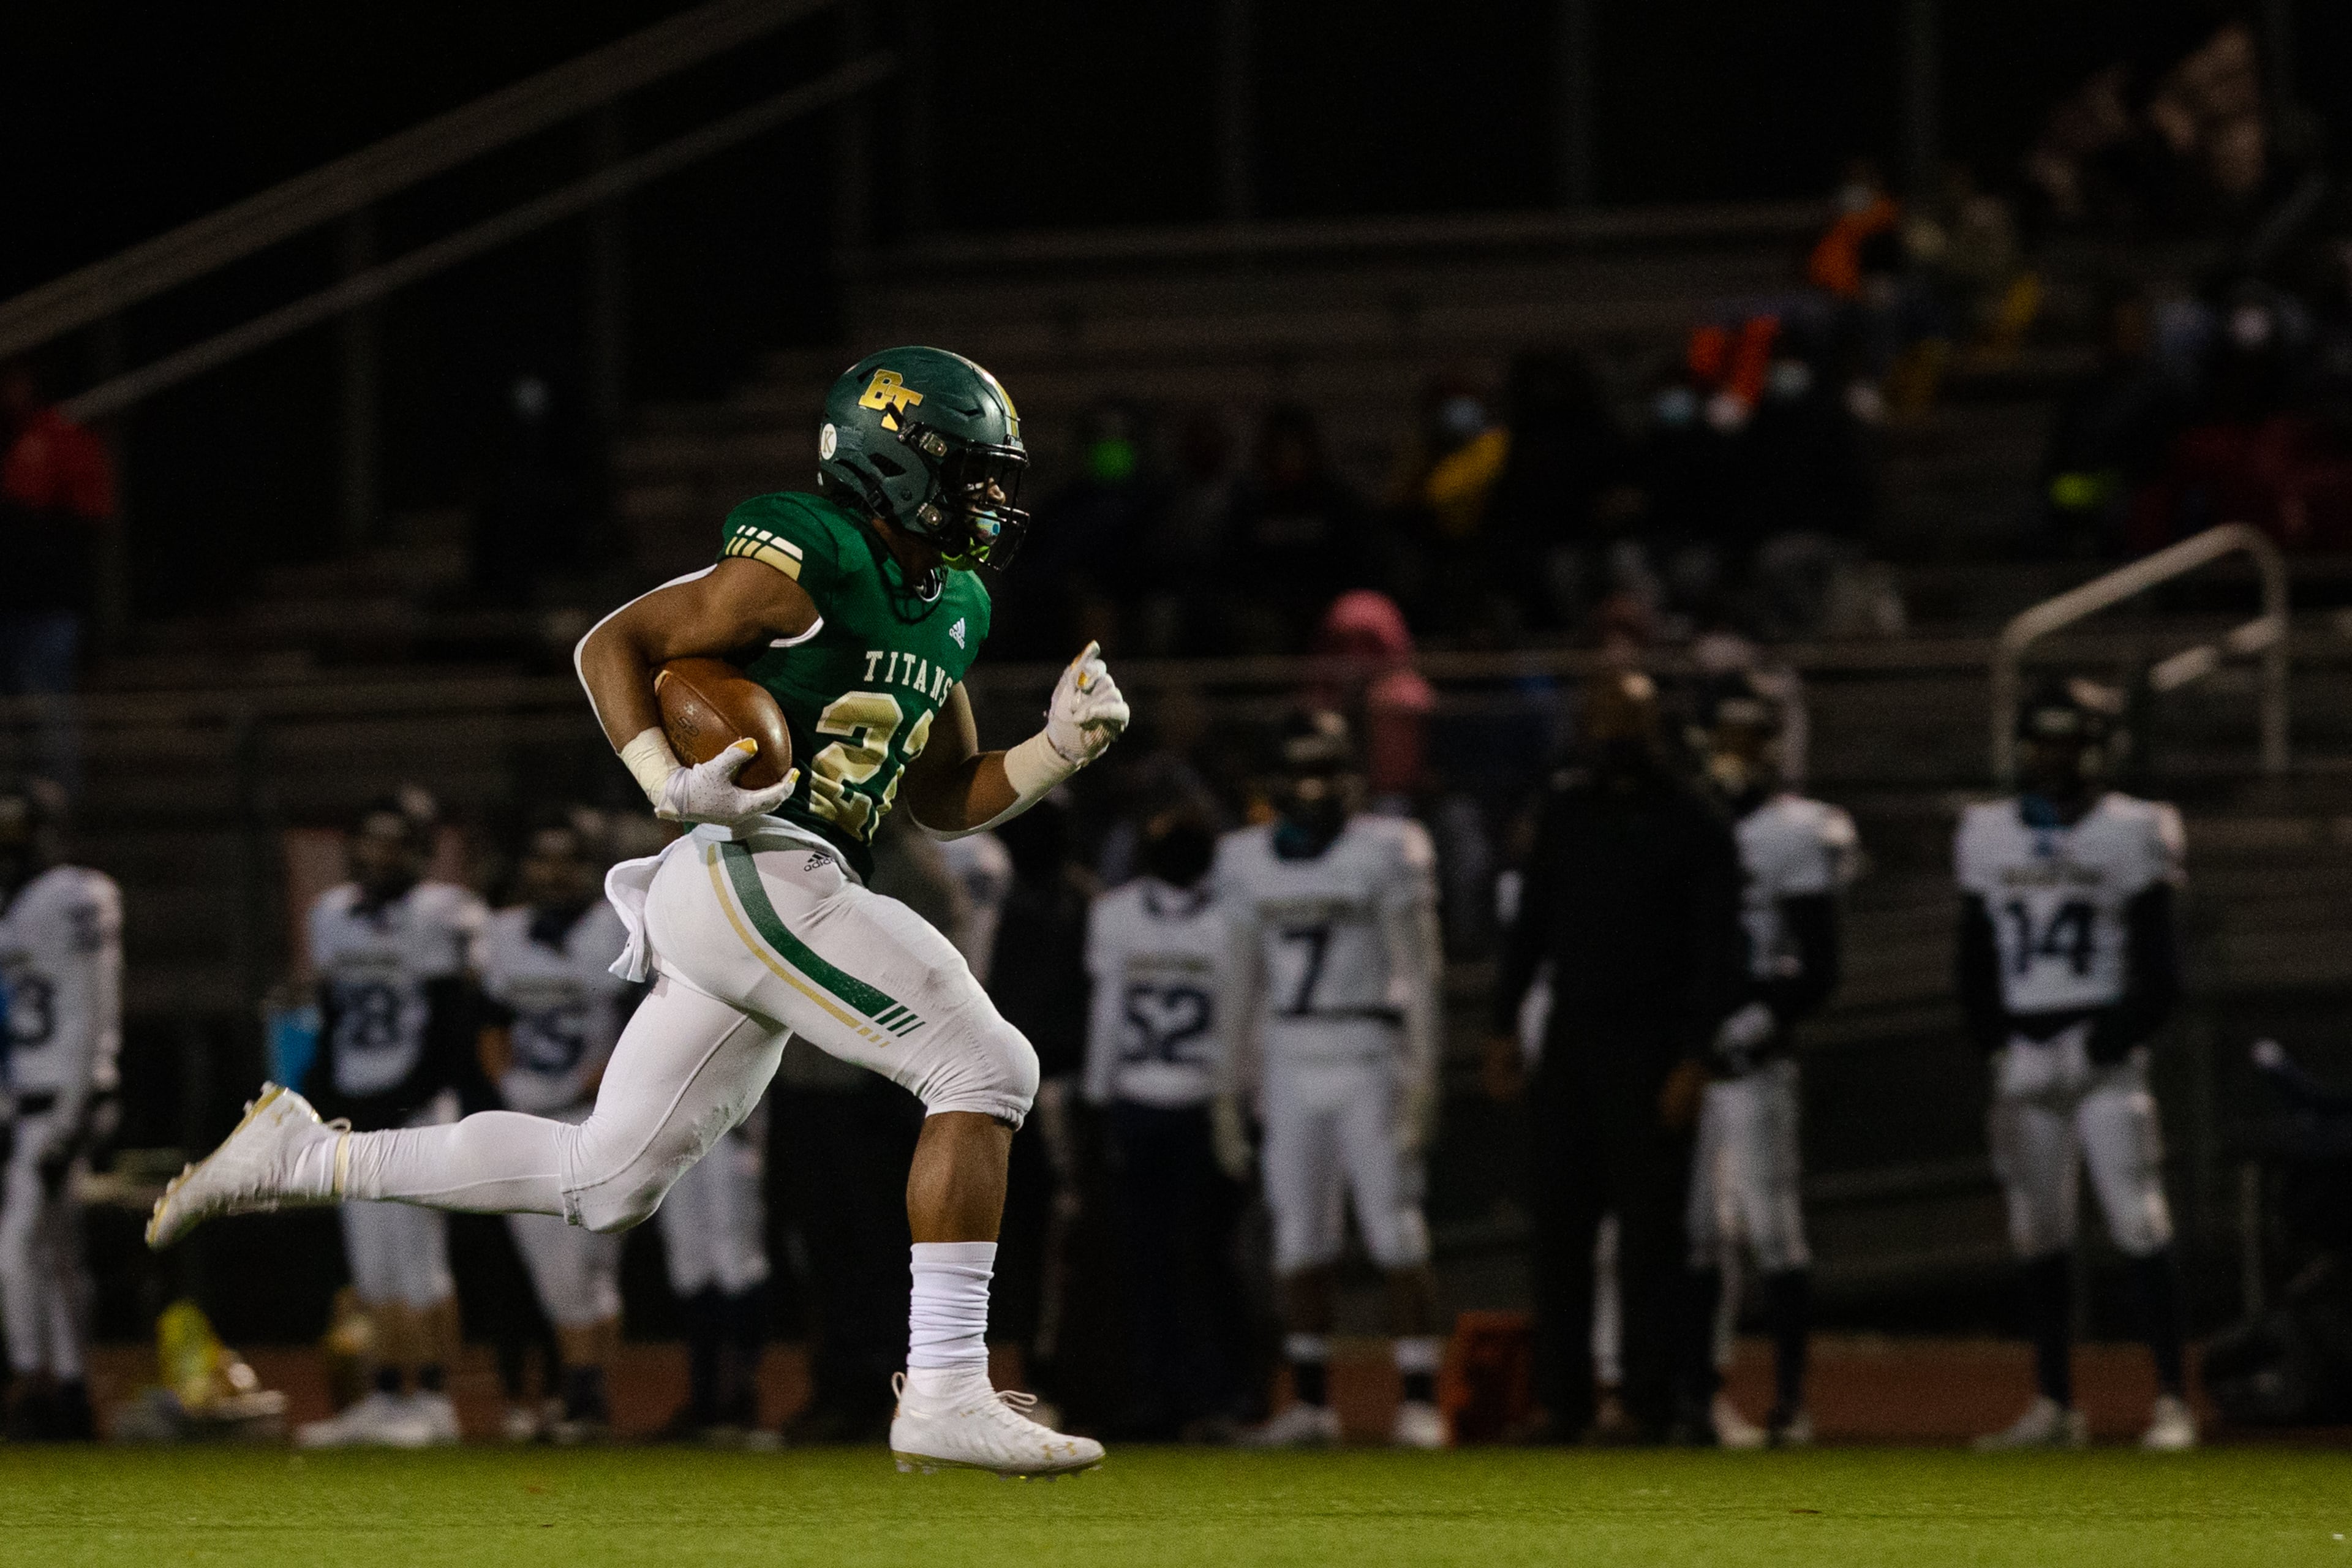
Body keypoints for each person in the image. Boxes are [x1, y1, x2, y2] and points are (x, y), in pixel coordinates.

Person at [148, 346, 1129, 1478]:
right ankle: (947, 1387)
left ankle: (304, 1157)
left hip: (790, 884)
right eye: (969, 472)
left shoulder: (955, 601)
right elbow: (611, 643)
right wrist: (667, 780)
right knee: (986, 1068)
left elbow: (942, 797)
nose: (991, 498)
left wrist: (1057, 750)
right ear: (893, 461)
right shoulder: (809, 552)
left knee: (605, 1182)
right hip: (755, 859)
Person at [1485, 671, 1746, 1444]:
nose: (1612, 733)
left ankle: (1646, 1400)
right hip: (1573, 1038)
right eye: (1601, 717)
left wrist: (1695, 1056)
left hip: (1653, 1043)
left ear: (1654, 726)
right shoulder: (1566, 811)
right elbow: (1531, 928)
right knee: (1560, 1228)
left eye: (1625, 718)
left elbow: (1719, 951)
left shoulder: (1693, 820)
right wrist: (1503, 1026)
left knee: (1650, 1235)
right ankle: (1563, 1400)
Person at [1961, 678, 2195, 1452]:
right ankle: (2055, 1402)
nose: (2054, 759)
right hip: (2026, 1058)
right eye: (2044, 742)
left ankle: (2172, 1400)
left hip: (2102, 1058)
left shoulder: (2134, 829)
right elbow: (1973, 958)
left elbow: (2162, 969)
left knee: (2139, 1222)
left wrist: (2108, 1039)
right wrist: (1996, 1039)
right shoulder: (1988, 831)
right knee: (2038, 1234)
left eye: (2069, 743)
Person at [1221, 710, 1446, 1449]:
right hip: (1289, 1052)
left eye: (1325, 772)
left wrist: (1425, 1075)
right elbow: (1240, 982)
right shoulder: (1244, 858)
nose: (1314, 790)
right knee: (1298, 1239)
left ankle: (1420, 1398)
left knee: (1396, 1230)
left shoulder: (1389, 847)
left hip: (1368, 1049)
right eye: (1302, 773)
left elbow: (1421, 971)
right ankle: (1313, 1403)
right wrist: (1228, 1086)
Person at [285, 793, 485, 1449]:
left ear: (422, 851)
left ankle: (434, 1399)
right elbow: (332, 1018)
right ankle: (384, 1394)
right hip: (359, 1108)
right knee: (373, 1267)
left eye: (395, 842)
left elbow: (450, 1029)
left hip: (417, 1110)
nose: (380, 855)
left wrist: (400, 1099)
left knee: (419, 1262)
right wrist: (321, 1097)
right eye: (371, 840)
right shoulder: (333, 913)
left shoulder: (441, 912)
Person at [1686, 673, 1855, 1448]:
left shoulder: (1797, 831)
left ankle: (1790, 1399)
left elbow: (1820, 965)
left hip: (1756, 1057)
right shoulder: (1684, 821)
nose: (1737, 753)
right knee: (1698, 1234)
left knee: (1773, 1230)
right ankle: (1701, 1392)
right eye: (1727, 735)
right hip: (1694, 1056)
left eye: (1751, 736)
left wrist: (1758, 1021)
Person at [1082, 806, 1243, 1438]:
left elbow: (1107, 1014)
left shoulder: (1123, 914)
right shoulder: (1222, 920)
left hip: (1172, 1102)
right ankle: (1184, 1391)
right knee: (1165, 1258)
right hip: (1173, 1102)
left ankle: (1193, 1390)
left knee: (1188, 1257)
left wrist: (1097, 1098)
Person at [476, 812, 635, 1444]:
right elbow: (490, 1021)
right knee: (560, 1271)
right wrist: (509, 1089)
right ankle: (585, 1395)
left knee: (592, 1267)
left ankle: (588, 1394)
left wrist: (598, 1083)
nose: (553, 873)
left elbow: (638, 1025)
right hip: (534, 1117)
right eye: (542, 859)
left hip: (597, 1116)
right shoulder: (504, 931)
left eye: (567, 860)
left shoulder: (616, 927)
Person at [0, 778, 119, 1439]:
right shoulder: (17, 905)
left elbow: (90, 1010)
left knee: (17, 1246)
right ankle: (71, 1390)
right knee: (54, 1252)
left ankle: (34, 1380)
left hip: (66, 1094)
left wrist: (72, 1114)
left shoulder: (76, 894)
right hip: (26, 1097)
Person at [0, 361, 115, 795]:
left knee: (47, 713)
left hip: (47, 607)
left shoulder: (59, 436)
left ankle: (59, 809)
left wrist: (33, 532)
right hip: (8, 606)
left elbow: (92, 515)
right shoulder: (10, 439)